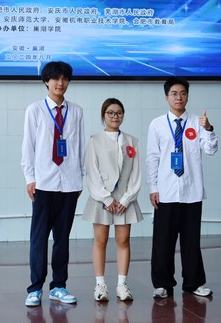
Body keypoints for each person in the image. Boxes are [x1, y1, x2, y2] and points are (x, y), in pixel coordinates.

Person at [146, 76, 219, 299]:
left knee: (191, 241)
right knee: (163, 242)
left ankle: (194, 283)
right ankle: (162, 284)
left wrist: (209, 128)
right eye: (174, 93)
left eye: (183, 93)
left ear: (188, 96)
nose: (179, 97)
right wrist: (153, 187)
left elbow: (211, 150)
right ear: (166, 97)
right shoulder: (157, 124)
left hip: (191, 191)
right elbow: (152, 158)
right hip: (166, 192)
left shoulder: (197, 122)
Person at [21, 61, 86, 307]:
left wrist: (80, 177)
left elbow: (79, 146)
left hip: (69, 183)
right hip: (44, 182)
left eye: (65, 79)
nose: (61, 83)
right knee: (39, 238)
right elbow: (28, 146)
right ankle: (35, 288)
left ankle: (58, 286)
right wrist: (30, 178)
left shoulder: (76, 111)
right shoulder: (35, 110)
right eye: (56, 78)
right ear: (46, 81)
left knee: (62, 238)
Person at [82, 98, 143, 302]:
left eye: (119, 112)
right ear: (103, 115)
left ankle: (122, 285)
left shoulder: (131, 141)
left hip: (124, 200)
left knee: (123, 240)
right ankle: (100, 285)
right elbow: (92, 172)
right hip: (102, 199)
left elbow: (136, 174)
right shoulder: (95, 140)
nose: (115, 116)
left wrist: (126, 199)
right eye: (110, 112)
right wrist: (106, 198)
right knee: (100, 241)